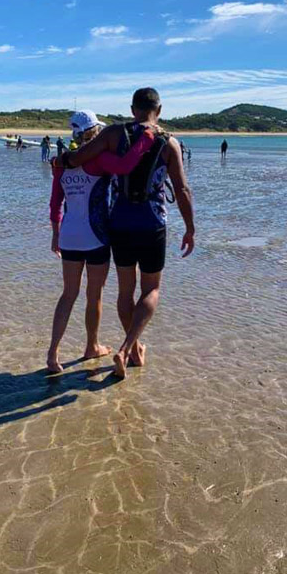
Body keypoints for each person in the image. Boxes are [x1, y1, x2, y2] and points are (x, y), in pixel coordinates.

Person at [58, 87, 195, 379]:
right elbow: (182, 189)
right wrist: (190, 228)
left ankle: (133, 349)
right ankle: (125, 348)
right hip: (152, 224)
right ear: (159, 110)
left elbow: (79, 158)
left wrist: (62, 161)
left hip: (119, 223)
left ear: (132, 110)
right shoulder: (169, 142)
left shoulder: (113, 134)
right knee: (151, 290)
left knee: (124, 293)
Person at [46, 110, 156, 373]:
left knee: (68, 294)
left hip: (69, 235)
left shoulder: (61, 163)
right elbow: (126, 165)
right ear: (94, 132)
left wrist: (56, 233)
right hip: (96, 235)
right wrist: (147, 139)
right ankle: (91, 346)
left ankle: (52, 355)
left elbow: (55, 203)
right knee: (93, 295)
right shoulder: (99, 159)